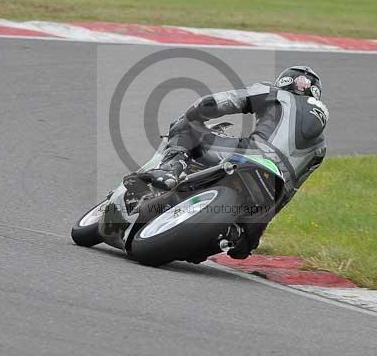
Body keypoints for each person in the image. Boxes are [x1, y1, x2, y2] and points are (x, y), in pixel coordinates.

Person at [125, 66, 328, 259]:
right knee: (237, 242)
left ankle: (169, 170)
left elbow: (226, 101)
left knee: (185, 127)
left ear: (284, 82)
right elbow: (290, 192)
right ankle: (233, 233)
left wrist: (196, 112)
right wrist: (255, 232)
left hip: (252, 153)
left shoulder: (273, 92)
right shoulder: (320, 148)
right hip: (276, 187)